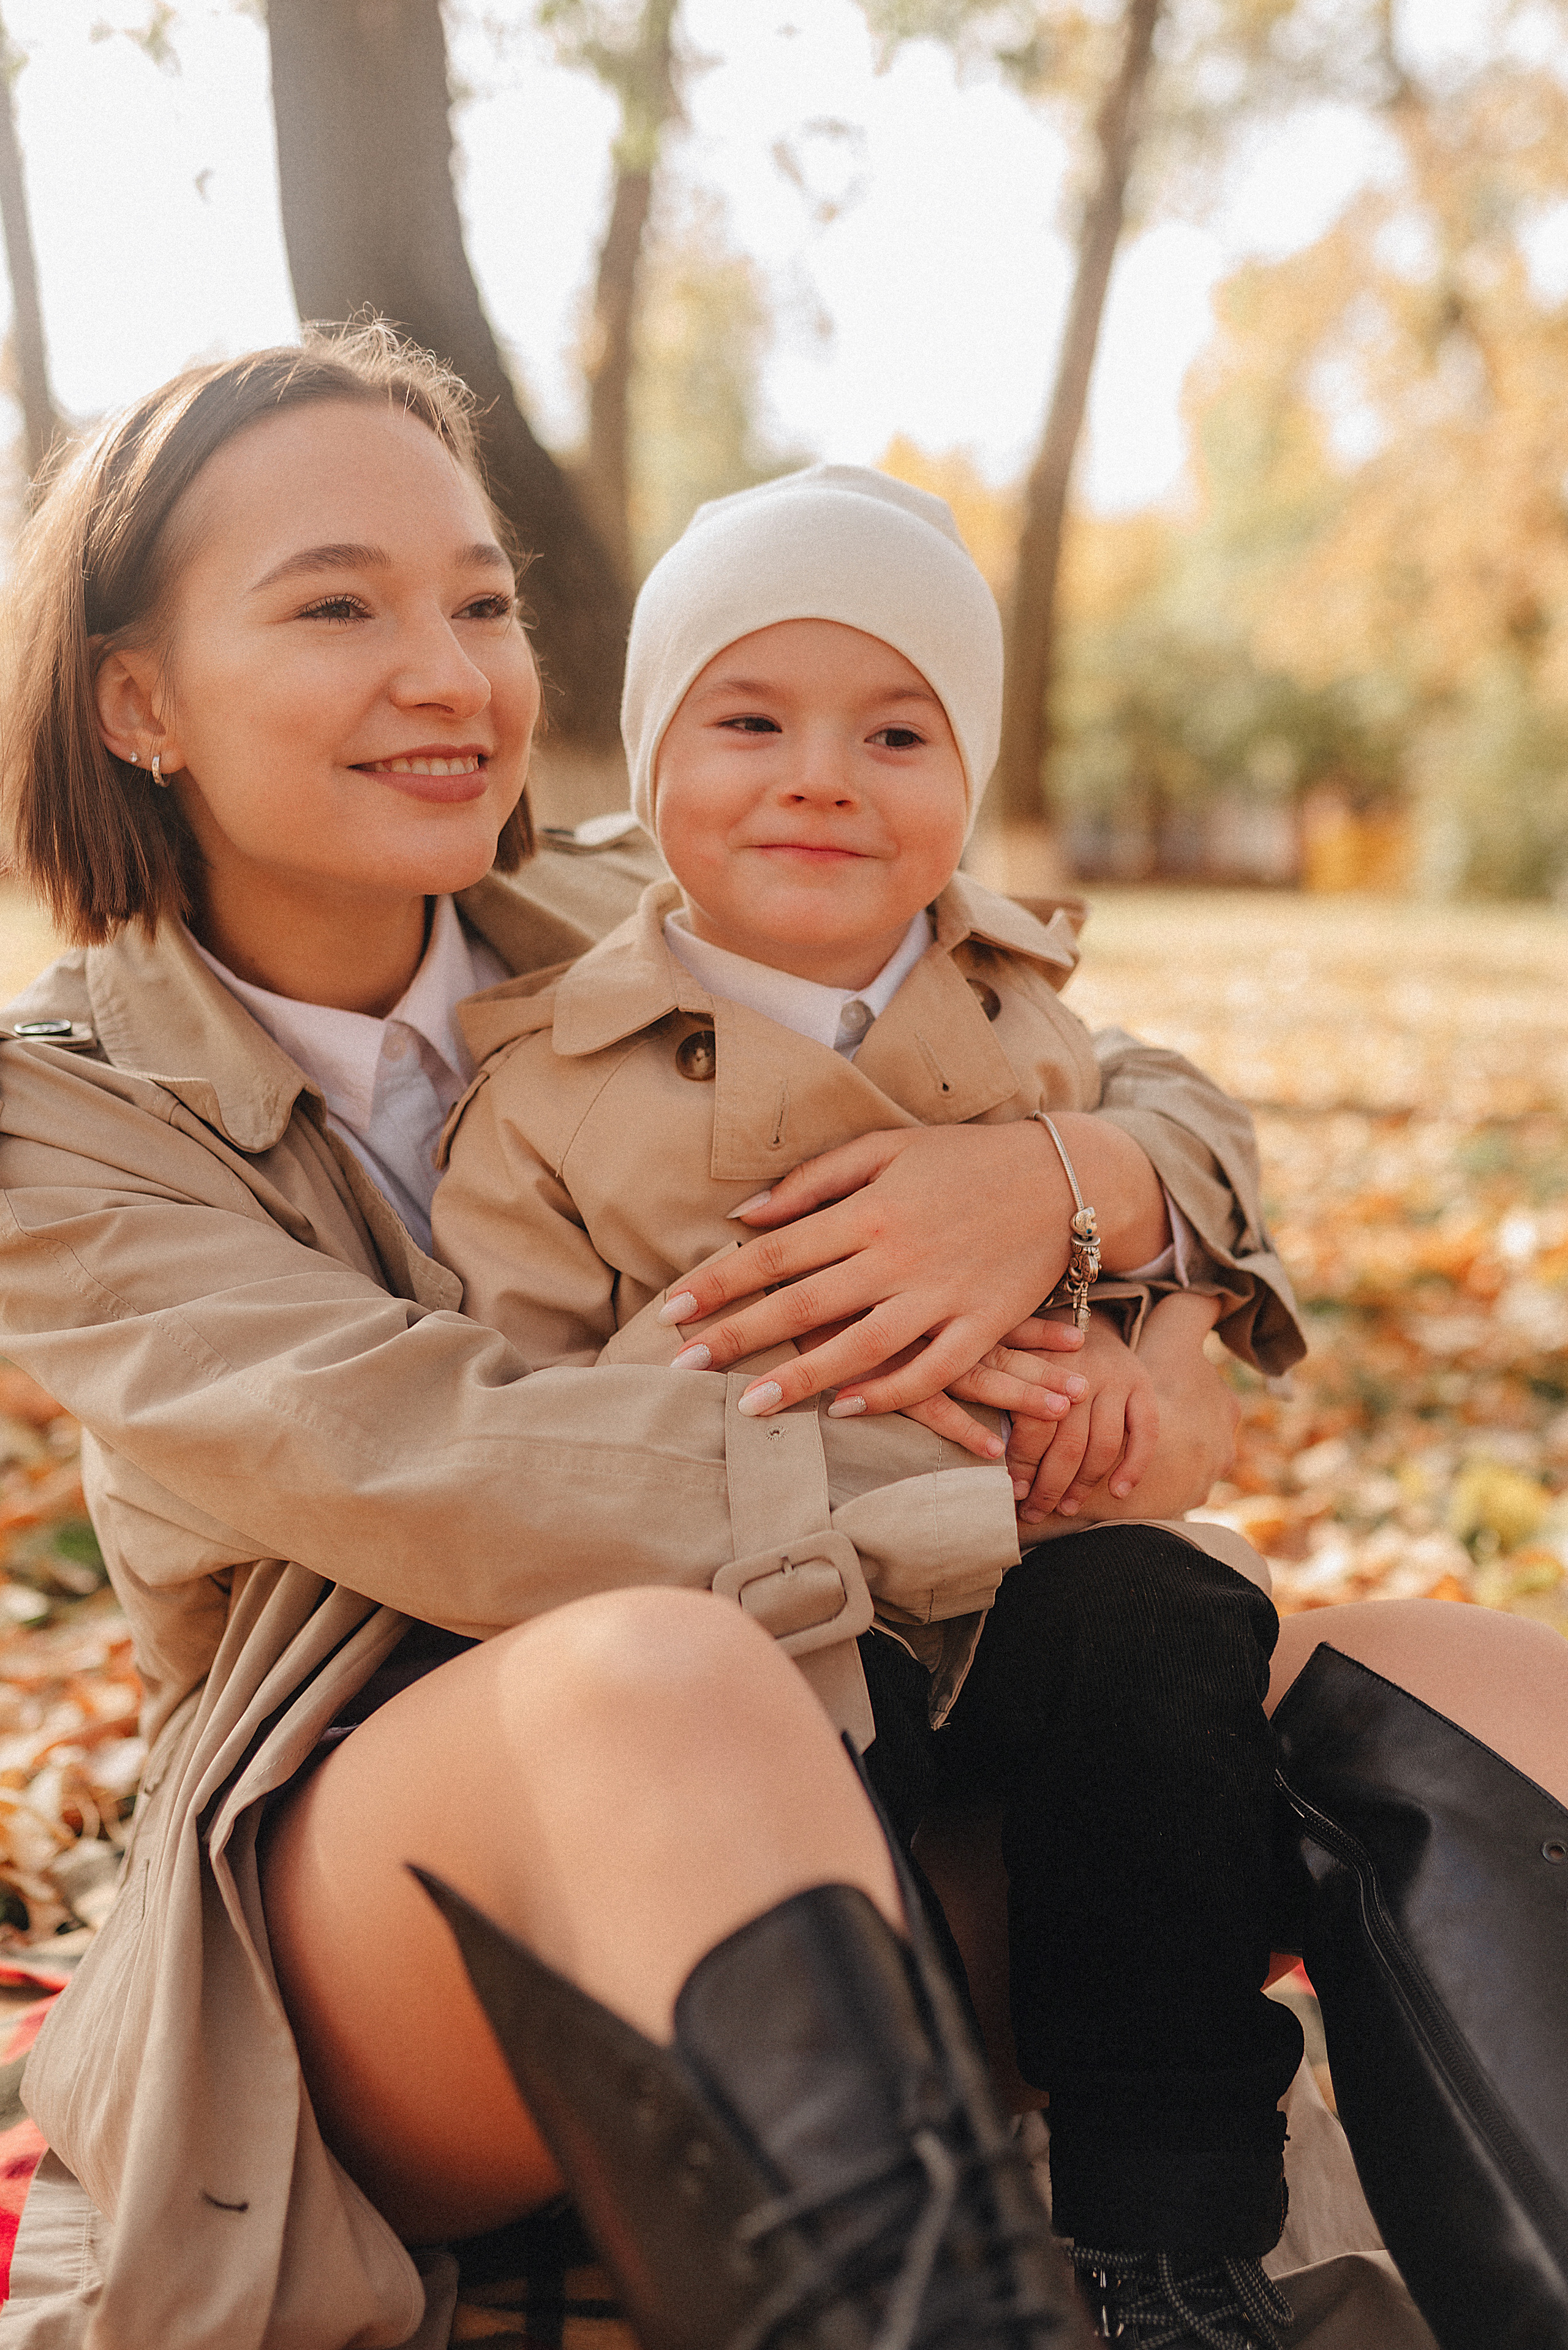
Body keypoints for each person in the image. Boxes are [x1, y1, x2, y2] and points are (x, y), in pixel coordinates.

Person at [0, 330, 1561, 2350]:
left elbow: (1131, 1073)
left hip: (905, 1765)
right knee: (664, 1672)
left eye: (482, 603)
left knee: (1454, 1682)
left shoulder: (666, 891)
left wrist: (1074, 1191)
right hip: (401, 1925)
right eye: (338, 608)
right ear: (136, 699)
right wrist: (1009, 1448)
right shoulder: (54, 1119)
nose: (450, 674)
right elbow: (447, 1470)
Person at [428, 464, 1310, 2340]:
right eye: (750, 722)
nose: (822, 778)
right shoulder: (550, 1089)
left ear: (967, 775)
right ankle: (837, 2242)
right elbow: (519, 1427)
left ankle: (1168, 2232)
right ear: (651, 766)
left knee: (1169, 1624)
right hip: (761, 1617)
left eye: (897, 733)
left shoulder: (1029, 1024)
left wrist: (1122, 1362)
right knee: (754, 1764)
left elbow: (1133, 1264)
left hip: (1020, 1589)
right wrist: (795, 1374)